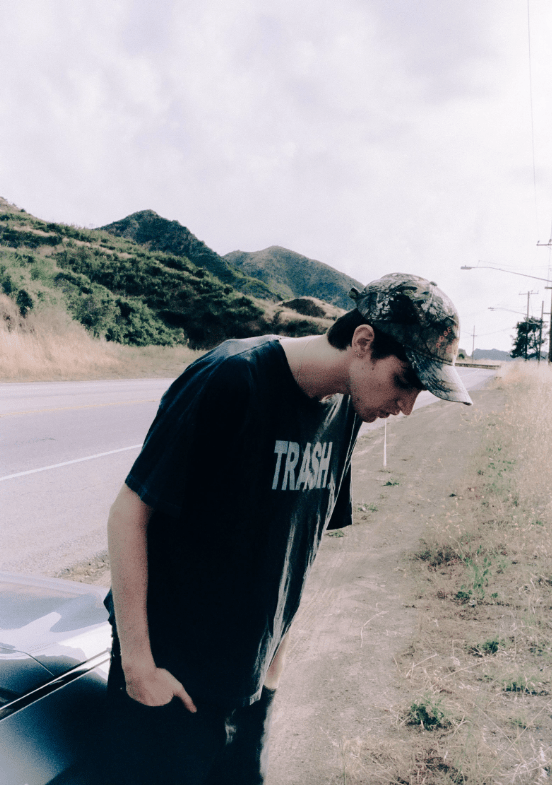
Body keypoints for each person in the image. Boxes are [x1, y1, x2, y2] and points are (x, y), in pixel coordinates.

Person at [104, 272, 471, 785]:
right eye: (406, 381)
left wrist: (274, 662)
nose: (406, 407)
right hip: (174, 680)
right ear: (364, 343)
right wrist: (140, 669)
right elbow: (129, 514)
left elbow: (296, 541)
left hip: (251, 682)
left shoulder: (348, 408)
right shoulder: (233, 378)